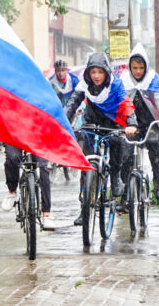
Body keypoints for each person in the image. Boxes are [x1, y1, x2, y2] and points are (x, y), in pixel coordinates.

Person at [63, 52, 137, 225]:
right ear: (88, 73)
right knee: (87, 164)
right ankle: (85, 208)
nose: (96, 76)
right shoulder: (84, 85)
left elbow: (126, 104)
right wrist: (63, 122)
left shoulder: (116, 84)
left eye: (100, 72)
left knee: (117, 143)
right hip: (92, 122)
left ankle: (116, 175)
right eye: (92, 72)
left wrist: (131, 123)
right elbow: (72, 104)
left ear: (106, 72)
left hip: (113, 122)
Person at [120, 43, 159, 202]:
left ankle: (157, 190)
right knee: (125, 156)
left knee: (156, 155)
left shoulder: (153, 80)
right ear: (130, 67)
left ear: (146, 67)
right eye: (134, 67)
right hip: (131, 126)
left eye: (141, 68)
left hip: (152, 126)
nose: (137, 71)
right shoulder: (123, 81)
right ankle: (126, 192)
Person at [1, 146, 55, 230]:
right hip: (16, 138)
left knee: (43, 168)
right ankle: (12, 191)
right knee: (12, 158)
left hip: (36, 139)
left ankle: (46, 214)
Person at [48, 59, 80, 181]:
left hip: (72, 111)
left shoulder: (74, 81)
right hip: (57, 112)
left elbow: (81, 94)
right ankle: (52, 158)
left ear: (66, 70)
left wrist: (80, 108)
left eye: (63, 70)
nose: (60, 73)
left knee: (72, 132)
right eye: (58, 71)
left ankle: (72, 155)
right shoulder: (51, 82)